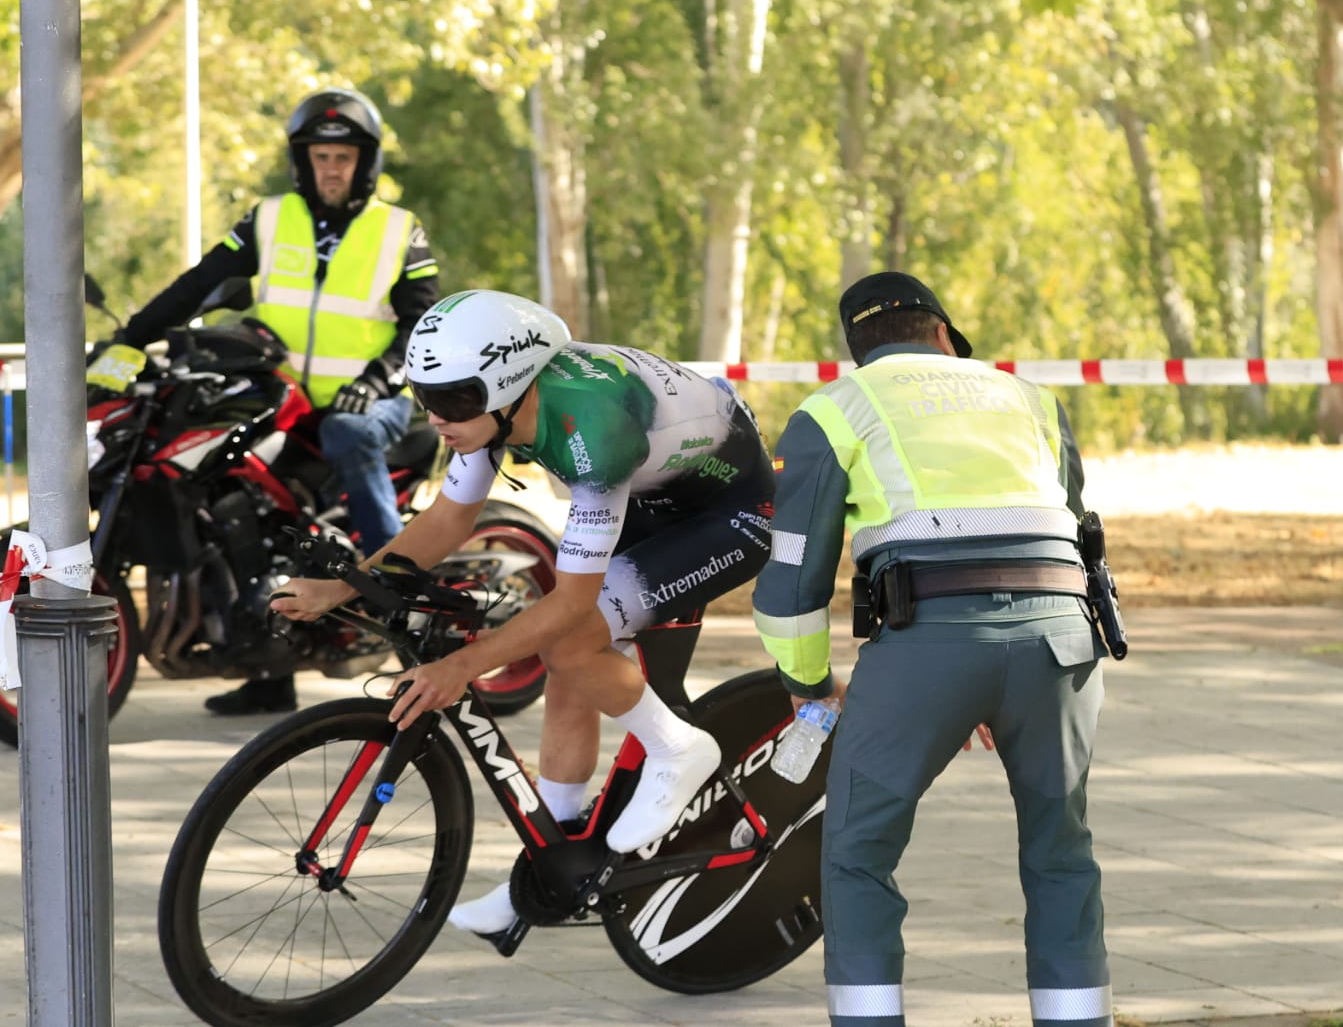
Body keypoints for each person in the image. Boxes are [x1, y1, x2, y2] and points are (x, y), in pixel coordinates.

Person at [270, 288, 776, 935]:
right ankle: (552, 863)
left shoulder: (591, 426)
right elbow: (450, 517)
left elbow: (567, 603)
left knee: (566, 642)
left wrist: (462, 666)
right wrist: (343, 587)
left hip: (727, 516)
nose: (437, 416)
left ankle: (679, 749)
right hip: (652, 496)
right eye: (426, 397)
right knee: (571, 672)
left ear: (508, 388)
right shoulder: (488, 410)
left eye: (452, 400)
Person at [752, 271, 1112, 1027]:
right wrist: (1000, 680)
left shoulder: (836, 408)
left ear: (859, 351)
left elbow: (791, 583)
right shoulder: (1031, 398)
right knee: (1061, 851)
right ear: (945, 335)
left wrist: (808, 683)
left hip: (926, 645)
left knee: (857, 855)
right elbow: (1078, 529)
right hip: (1058, 641)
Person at [121, 87, 441, 716]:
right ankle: (271, 666)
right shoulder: (270, 220)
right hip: (286, 401)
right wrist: (129, 339)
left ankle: (400, 597)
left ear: (364, 162)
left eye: (343, 157)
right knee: (237, 494)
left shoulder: (397, 231)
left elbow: (423, 326)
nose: (331, 167)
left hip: (371, 404)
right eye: (321, 156)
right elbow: (200, 283)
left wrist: (377, 380)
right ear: (303, 160)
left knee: (350, 433)